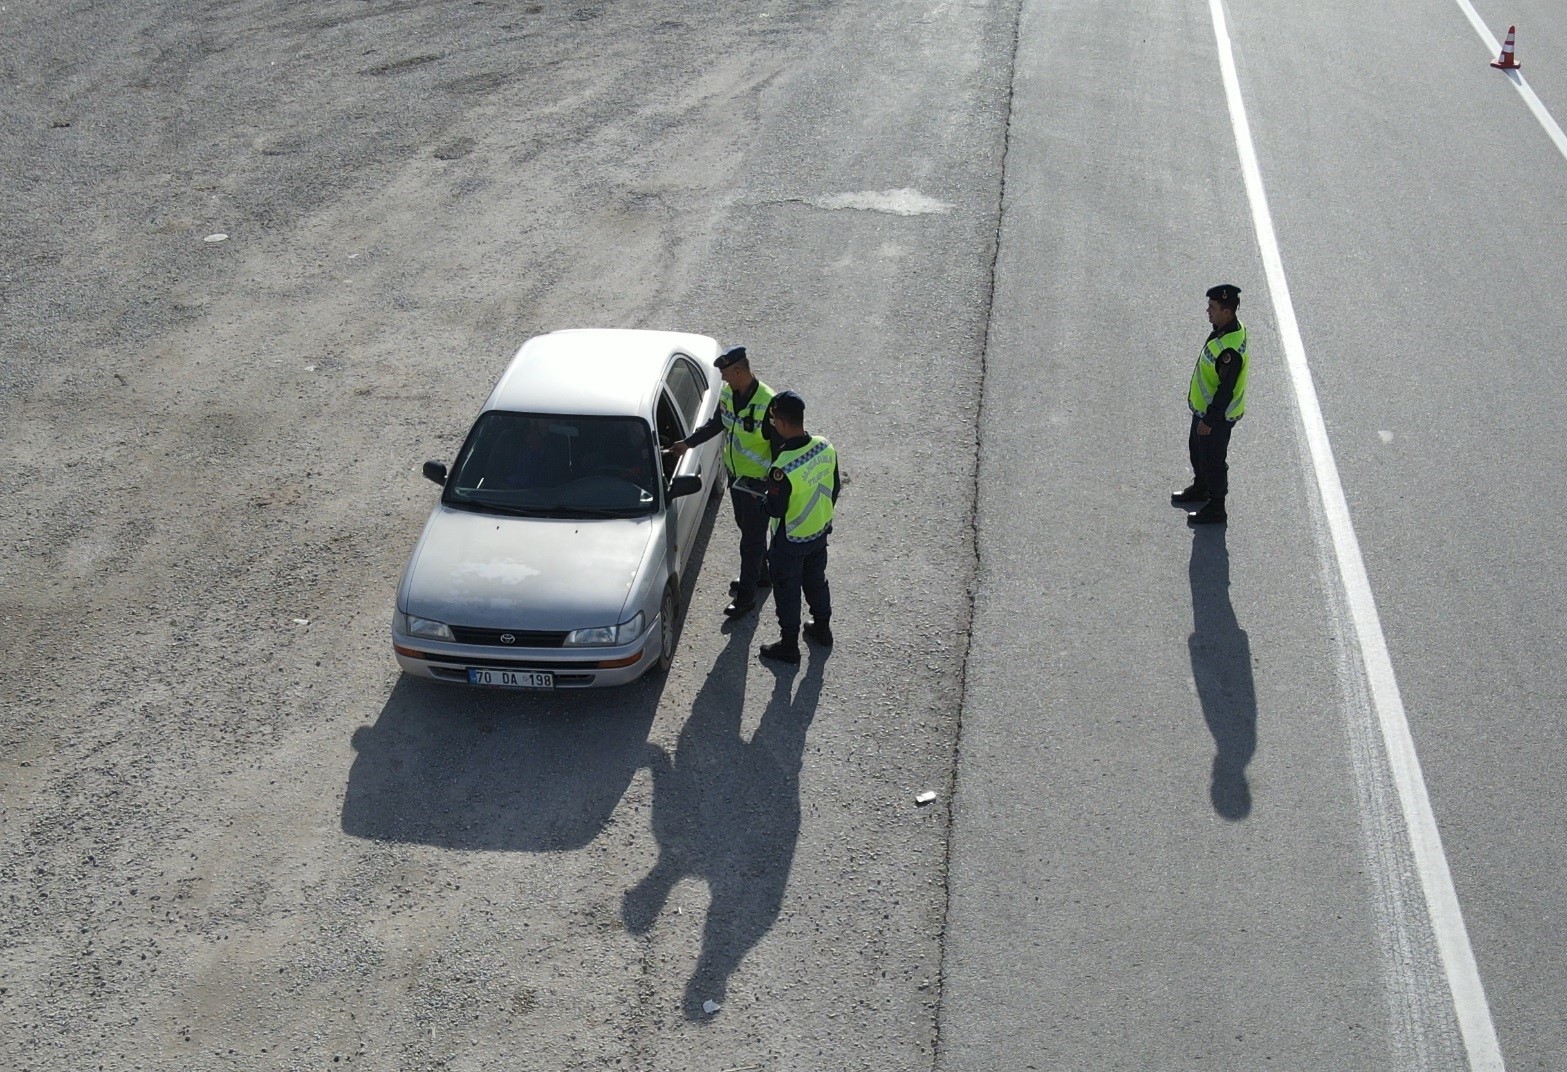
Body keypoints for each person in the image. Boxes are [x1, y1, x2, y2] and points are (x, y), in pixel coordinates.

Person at [669, 345, 777, 616]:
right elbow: (717, 424)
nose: (724, 379)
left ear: (739, 370)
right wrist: (688, 444)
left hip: (757, 486)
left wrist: (771, 488)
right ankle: (762, 574)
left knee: (750, 541)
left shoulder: (768, 403)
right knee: (747, 530)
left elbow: (781, 450)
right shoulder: (729, 395)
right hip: (736, 479)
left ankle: (746, 598)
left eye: (726, 373)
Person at [758, 390, 838, 664]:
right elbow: (834, 487)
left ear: (780, 423)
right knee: (816, 581)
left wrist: (762, 501)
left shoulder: (782, 466)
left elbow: (776, 508)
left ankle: (789, 645)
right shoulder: (825, 446)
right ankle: (822, 629)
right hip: (819, 532)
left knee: (787, 590)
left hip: (790, 540)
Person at [1172, 283, 1249, 525]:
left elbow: (1226, 390)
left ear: (1228, 312)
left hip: (1217, 417)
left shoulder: (1230, 349)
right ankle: (1201, 488)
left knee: (1213, 461)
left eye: (1213, 307)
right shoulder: (1223, 329)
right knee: (1197, 451)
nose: (1208, 311)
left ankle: (1216, 507)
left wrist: (1209, 420)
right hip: (1204, 411)